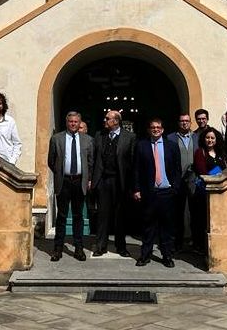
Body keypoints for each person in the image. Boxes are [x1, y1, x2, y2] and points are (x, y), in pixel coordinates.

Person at [133, 118, 182, 267]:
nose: (155, 130)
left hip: (167, 192)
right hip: (149, 192)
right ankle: (145, 255)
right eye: (153, 127)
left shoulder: (172, 146)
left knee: (166, 227)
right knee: (148, 226)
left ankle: (167, 256)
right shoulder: (141, 146)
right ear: (149, 129)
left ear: (162, 130)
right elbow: (136, 170)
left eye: (158, 127)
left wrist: (175, 188)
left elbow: (177, 169)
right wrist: (136, 189)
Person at [47, 111, 94, 262]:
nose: (73, 124)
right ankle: (58, 249)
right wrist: (60, 173)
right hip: (64, 181)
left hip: (79, 181)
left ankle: (79, 248)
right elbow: (51, 161)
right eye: (70, 121)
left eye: (76, 122)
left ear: (79, 123)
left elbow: (90, 162)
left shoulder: (87, 140)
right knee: (61, 216)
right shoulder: (57, 138)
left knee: (78, 216)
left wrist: (88, 179)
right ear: (67, 122)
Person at [90, 109, 135, 258]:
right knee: (102, 215)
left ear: (116, 121)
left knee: (120, 215)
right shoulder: (99, 135)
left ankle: (121, 246)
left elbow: (133, 162)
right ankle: (101, 246)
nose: (105, 120)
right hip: (103, 180)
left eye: (108, 118)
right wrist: (92, 179)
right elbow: (94, 158)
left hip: (120, 181)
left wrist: (132, 185)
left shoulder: (129, 137)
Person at [191, 126, 227, 255]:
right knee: (201, 221)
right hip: (203, 192)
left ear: (216, 140)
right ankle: (201, 247)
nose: (210, 140)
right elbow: (201, 171)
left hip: (219, 192)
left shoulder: (221, 153)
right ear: (203, 139)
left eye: (212, 138)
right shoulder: (200, 152)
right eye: (207, 137)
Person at [166, 113, 198, 253]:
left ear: (190, 123)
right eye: (182, 121)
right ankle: (177, 243)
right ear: (178, 123)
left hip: (194, 179)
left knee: (195, 212)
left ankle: (196, 242)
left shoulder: (197, 137)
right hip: (177, 179)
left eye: (187, 121)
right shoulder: (171, 138)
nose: (184, 123)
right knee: (178, 213)